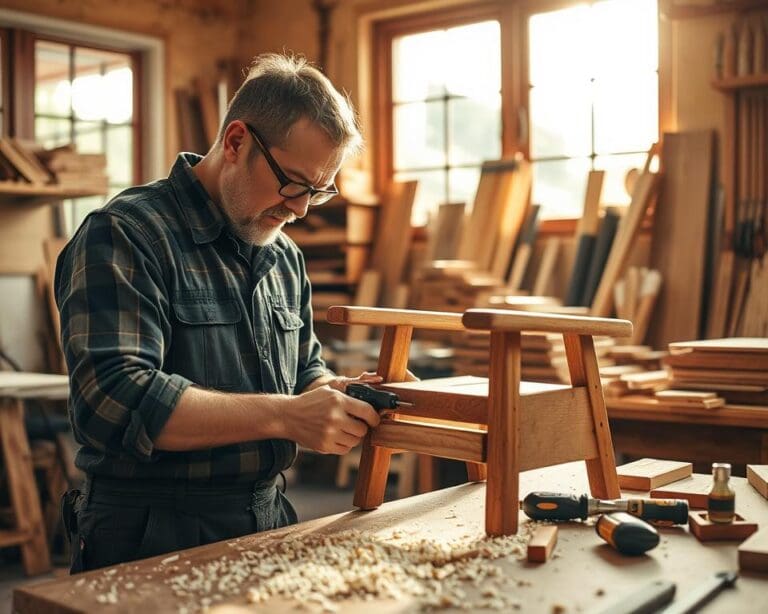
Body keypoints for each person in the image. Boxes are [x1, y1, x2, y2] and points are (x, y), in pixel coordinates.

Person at [55, 53, 382, 573]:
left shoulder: (283, 255)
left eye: (318, 192)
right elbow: (113, 401)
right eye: (294, 183)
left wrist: (333, 395)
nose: (299, 209)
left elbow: (302, 373)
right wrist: (285, 414)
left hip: (269, 514)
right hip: (150, 528)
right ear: (236, 142)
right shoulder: (126, 234)